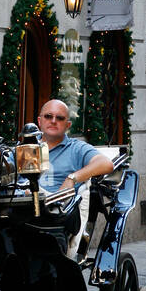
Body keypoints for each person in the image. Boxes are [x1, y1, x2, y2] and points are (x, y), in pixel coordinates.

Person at [35, 99, 115, 242]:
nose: (53, 121)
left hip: (57, 214)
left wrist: (72, 178)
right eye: (48, 116)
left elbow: (106, 164)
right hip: (25, 208)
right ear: (39, 121)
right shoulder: (26, 147)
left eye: (59, 118)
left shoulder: (76, 148)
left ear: (68, 125)